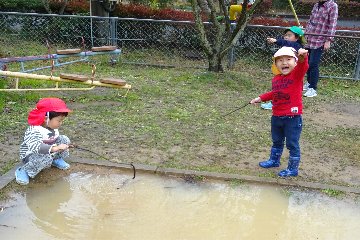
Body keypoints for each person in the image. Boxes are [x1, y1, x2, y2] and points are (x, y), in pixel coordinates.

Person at [250, 46, 309, 177]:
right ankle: (274, 160)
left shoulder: (296, 75)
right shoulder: (276, 79)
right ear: (276, 64)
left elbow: (303, 67)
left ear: (294, 62)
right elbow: (274, 93)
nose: (284, 62)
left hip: (292, 118)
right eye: (280, 60)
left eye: (288, 59)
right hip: (277, 116)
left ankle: (292, 169)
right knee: (276, 140)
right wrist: (260, 98)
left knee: (292, 143)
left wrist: (303, 57)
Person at [15, 98, 72, 185]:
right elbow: (36, 146)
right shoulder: (34, 130)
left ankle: (55, 159)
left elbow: (55, 139)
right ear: (46, 119)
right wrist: (55, 148)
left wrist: (62, 145)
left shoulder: (52, 127)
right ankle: (24, 170)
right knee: (45, 157)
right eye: (59, 120)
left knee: (64, 139)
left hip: (48, 151)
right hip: (31, 156)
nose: (61, 123)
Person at [262, 26, 305, 110]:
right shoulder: (288, 45)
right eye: (285, 35)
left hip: (292, 75)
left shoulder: (297, 45)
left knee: (286, 89)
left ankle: (280, 103)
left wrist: (276, 41)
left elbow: (287, 43)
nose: (286, 37)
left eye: (289, 35)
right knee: (279, 87)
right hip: (282, 72)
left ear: (297, 38)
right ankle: (275, 102)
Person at [303, 0, 338, 97]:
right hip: (309, 38)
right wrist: (305, 33)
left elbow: (332, 24)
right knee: (307, 63)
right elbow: (310, 21)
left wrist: (328, 40)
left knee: (313, 64)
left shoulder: (332, 6)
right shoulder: (316, 5)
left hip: (320, 40)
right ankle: (309, 83)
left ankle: (313, 88)